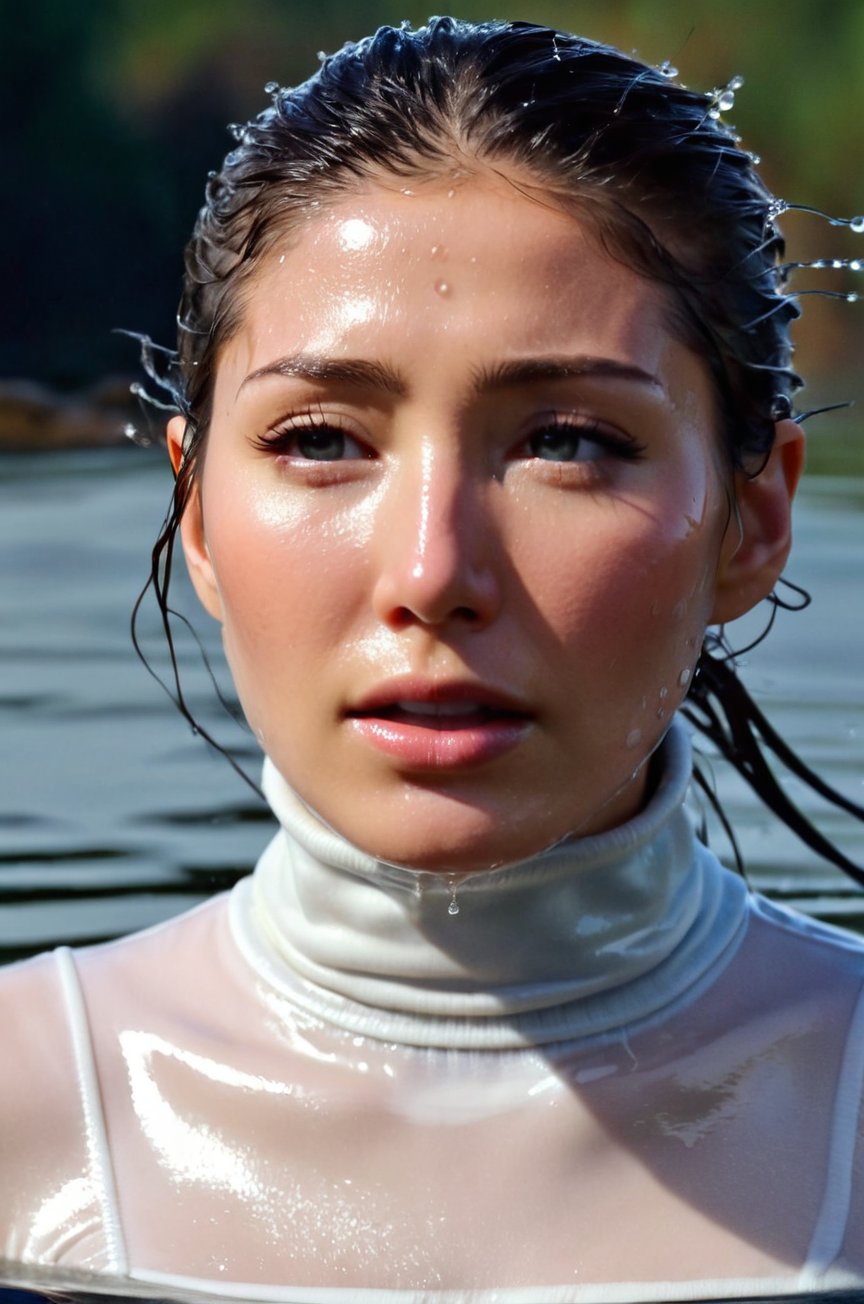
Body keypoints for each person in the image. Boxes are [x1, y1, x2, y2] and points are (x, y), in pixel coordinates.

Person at [2, 17, 863, 1303]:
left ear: (754, 520)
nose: (429, 574)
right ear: (196, 516)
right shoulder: (20, 1112)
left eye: (568, 440)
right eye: (320, 438)